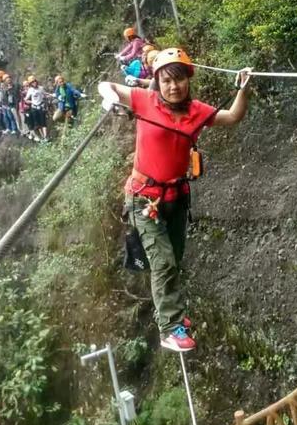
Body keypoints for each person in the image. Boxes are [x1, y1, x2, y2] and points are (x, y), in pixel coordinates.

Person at [98, 47, 252, 353]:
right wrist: (110, 97)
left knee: (174, 260)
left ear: (188, 81)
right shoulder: (145, 101)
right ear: (158, 81)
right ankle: (170, 327)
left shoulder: (196, 111)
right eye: (167, 80)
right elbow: (108, 85)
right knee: (164, 262)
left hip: (177, 198)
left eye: (179, 79)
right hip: (145, 199)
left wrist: (243, 88)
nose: (173, 86)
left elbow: (233, 116)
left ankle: (173, 315)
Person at [25, 75, 48, 141]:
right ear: (30, 84)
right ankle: (42, 137)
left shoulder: (41, 88)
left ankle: (45, 137)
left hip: (41, 106)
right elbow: (26, 99)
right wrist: (32, 102)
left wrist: (51, 95)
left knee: (43, 122)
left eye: (34, 81)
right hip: (34, 108)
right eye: (32, 82)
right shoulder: (30, 90)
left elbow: (45, 95)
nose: (34, 83)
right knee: (38, 124)